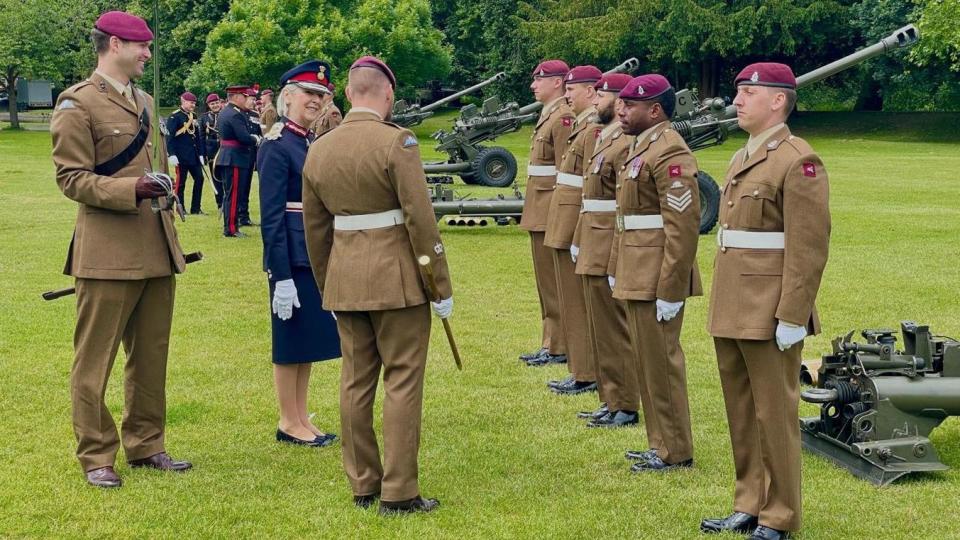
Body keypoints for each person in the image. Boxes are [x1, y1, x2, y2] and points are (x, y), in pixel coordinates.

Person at [302, 55, 453, 515]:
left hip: (346, 278)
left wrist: (328, 283)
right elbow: (421, 221)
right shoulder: (398, 142)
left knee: (355, 381)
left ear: (348, 93)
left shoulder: (319, 148)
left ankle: (363, 482)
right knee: (403, 380)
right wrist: (439, 285)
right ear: (388, 94)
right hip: (397, 280)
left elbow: (315, 229)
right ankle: (400, 489)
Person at [50, 10, 192, 489]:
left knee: (151, 356)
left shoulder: (146, 101)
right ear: (113, 44)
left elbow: (156, 165)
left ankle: (147, 445)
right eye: (141, 46)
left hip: (155, 248)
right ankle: (96, 455)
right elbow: (71, 178)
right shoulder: (78, 103)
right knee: (95, 362)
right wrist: (131, 190)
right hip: (107, 253)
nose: (148, 54)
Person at [701, 63, 830, 540]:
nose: (737, 99)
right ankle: (749, 502)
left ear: (778, 100)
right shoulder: (742, 157)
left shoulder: (798, 159)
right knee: (741, 410)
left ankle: (779, 515)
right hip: (734, 300)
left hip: (770, 305)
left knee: (774, 414)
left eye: (748, 92)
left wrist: (793, 314)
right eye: (738, 91)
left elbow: (809, 245)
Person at [609, 74, 701, 469]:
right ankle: (659, 441)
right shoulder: (640, 147)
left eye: (630, 106)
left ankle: (675, 449)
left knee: (662, 361)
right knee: (647, 361)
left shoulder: (668, 152)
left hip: (657, 272)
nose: (620, 110)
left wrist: (671, 288)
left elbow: (681, 228)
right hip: (637, 266)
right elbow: (625, 217)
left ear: (655, 110)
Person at [258, 61, 341, 447]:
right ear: (288, 96)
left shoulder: (305, 142)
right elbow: (272, 218)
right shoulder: (276, 146)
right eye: (309, 93)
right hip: (290, 257)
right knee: (289, 341)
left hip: (312, 253)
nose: (317, 100)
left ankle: (301, 415)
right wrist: (281, 275)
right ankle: (288, 421)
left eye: (321, 95)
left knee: (305, 340)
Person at [569, 73, 646, 427]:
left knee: (614, 328)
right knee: (600, 325)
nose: (595, 99)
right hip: (592, 236)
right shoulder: (607, 137)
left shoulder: (623, 144)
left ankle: (626, 403)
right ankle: (610, 397)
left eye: (602, 95)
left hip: (607, 239)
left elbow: (622, 204)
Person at [541, 65, 602, 400]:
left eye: (573, 89)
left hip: (574, 218)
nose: (567, 94)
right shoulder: (582, 124)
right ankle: (580, 368)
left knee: (577, 302)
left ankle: (586, 371)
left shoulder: (591, 128)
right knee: (569, 298)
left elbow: (591, 185)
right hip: (562, 216)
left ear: (591, 91)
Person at [518, 59, 575, 366]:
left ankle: (560, 344)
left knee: (555, 283)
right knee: (546, 283)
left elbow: (567, 172)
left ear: (557, 82)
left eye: (539, 79)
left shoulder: (563, 117)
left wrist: (560, 214)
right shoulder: (550, 114)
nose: (533, 85)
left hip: (551, 209)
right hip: (539, 209)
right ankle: (550, 340)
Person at [214, 85, 260, 237]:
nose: (247, 99)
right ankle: (231, 229)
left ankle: (232, 226)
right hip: (234, 157)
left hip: (231, 156)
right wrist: (255, 138)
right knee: (233, 195)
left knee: (232, 194)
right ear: (236, 97)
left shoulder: (228, 112)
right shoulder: (235, 114)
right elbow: (244, 137)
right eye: (244, 96)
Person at [165, 91, 205, 214]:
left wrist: (201, 153)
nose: (193, 105)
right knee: (180, 183)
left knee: (200, 179)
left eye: (194, 103)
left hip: (193, 156)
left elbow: (197, 137)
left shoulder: (194, 116)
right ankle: (180, 208)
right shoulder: (174, 117)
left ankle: (196, 208)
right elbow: (169, 136)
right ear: (183, 102)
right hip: (180, 155)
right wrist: (171, 154)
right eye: (191, 103)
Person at [240, 87, 262, 227]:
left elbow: (260, 132)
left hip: (251, 155)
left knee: (246, 186)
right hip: (239, 154)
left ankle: (244, 216)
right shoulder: (237, 114)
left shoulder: (254, 114)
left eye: (255, 99)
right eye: (251, 99)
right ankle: (235, 215)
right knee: (239, 187)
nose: (253, 102)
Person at [200, 93, 222, 209]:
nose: (215, 105)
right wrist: (202, 154)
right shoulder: (204, 118)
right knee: (215, 178)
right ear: (208, 105)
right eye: (212, 104)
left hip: (224, 150)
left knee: (227, 178)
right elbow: (202, 137)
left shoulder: (225, 114)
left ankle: (227, 202)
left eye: (217, 103)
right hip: (211, 152)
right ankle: (220, 203)